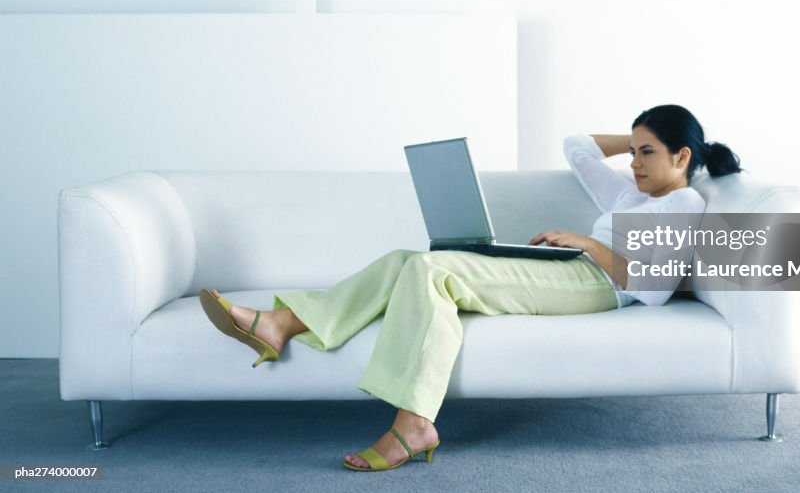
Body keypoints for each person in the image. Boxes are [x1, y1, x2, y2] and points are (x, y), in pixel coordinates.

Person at [199, 104, 741, 472]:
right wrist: (641, 132)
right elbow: (576, 146)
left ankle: (413, 423)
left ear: (682, 157)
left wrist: (585, 243)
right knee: (408, 260)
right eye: (634, 152)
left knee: (434, 272)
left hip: (595, 283)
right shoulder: (632, 196)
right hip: (572, 266)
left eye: (647, 153)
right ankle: (282, 322)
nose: (634, 162)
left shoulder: (683, 204)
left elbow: (651, 288)